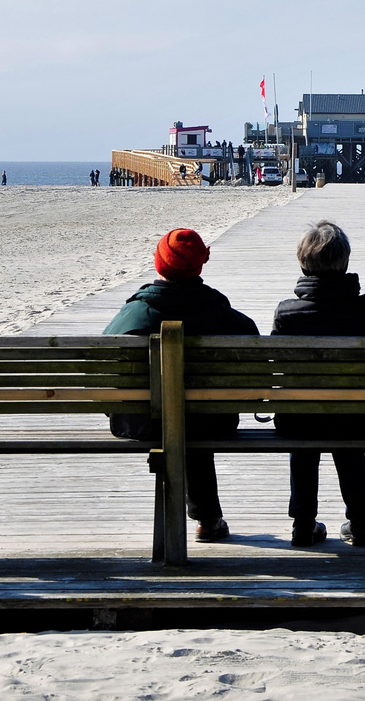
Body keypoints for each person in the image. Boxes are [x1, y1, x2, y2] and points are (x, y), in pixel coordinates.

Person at [105, 228, 257, 542]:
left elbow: (106, 365)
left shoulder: (134, 313)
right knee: (191, 416)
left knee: (175, 415)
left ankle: (203, 518)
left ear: (158, 263)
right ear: (201, 264)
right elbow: (254, 357)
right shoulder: (224, 315)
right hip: (213, 421)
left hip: (140, 422)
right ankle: (207, 519)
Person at [271, 221, 365, 548]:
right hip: (364, 420)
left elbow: (276, 373)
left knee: (305, 429)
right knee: (347, 427)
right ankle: (361, 523)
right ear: (345, 262)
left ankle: (302, 524)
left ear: (303, 264)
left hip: (298, 421)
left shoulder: (288, 313)